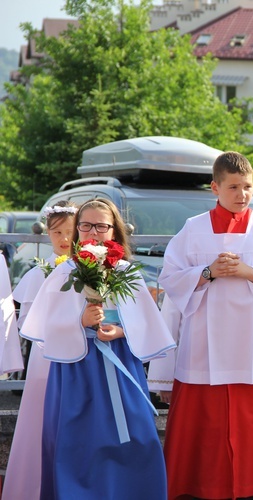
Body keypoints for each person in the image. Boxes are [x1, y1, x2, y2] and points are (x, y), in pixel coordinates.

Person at [157, 151, 253, 500]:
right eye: (234, 187)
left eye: (249, 187)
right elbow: (170, 279)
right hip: (205, 344)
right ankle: (198, 487)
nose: (243, 194)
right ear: (215, 187)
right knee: (205, 428)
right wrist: (208, 272)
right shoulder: (193, 229)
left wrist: (247, 271)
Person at [19, 198, 176, 499]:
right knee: (77, 441)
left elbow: (147, 323)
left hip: (120, 364)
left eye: (101, 226)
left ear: (114, 231)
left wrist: (120, 330)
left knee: (136, 437)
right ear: (77, 230)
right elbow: (45, 324)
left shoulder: (127, 271)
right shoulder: (65, 273)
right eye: (86, 225)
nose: (93, 232)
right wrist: (80, 320)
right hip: (77, 369)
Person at [3, 201, 77, 500]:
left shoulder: (90, 271)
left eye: (69, 232)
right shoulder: (39, 274)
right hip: (45, 360)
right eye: (56, 232)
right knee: (40, 418)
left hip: (78, 354)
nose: (63, 239)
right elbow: (28, 324)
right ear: (47, 233)